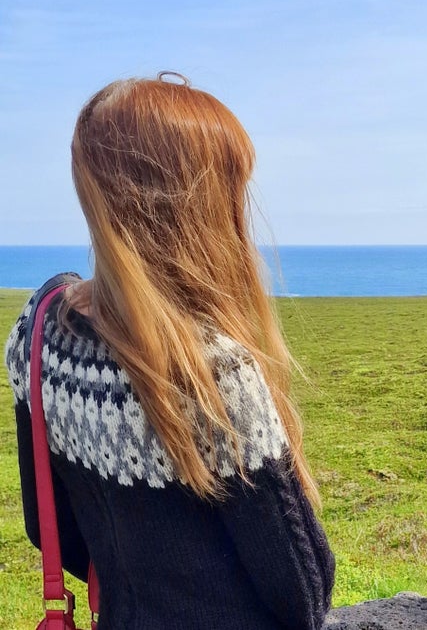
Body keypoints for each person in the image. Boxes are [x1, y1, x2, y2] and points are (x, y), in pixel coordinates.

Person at [4, 73, 334, 628]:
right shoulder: (216, 371)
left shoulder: (40, 334)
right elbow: (302, 591)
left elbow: (50, 529)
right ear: (200, 209)